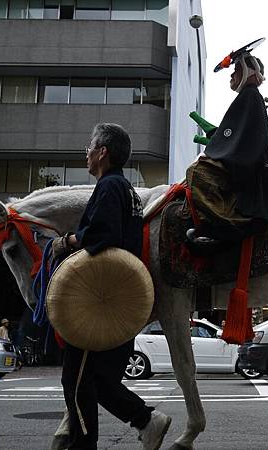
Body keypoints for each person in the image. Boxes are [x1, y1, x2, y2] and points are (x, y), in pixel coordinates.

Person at [51, 123, 171, 450]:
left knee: (75, 382)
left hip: (98, 299)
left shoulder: (108, 188)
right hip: (121, 298)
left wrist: (67, 241)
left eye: (90, 147)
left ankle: (83, 444)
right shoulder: (126, 189)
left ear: (102, 152)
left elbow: (103, 237)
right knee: (100, 381)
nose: (86, 153)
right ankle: (146, 420)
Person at [185, 50, 268, 246]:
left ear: (250, 71)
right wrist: (217, 138)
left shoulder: (251, 96)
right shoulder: (248, 97)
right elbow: (233, 135)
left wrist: (219, 144)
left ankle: (228, 228)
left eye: (237, 70)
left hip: (253, 169)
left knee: (197, 172)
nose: (232, 75)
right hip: (242, 160)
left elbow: (243, 141)